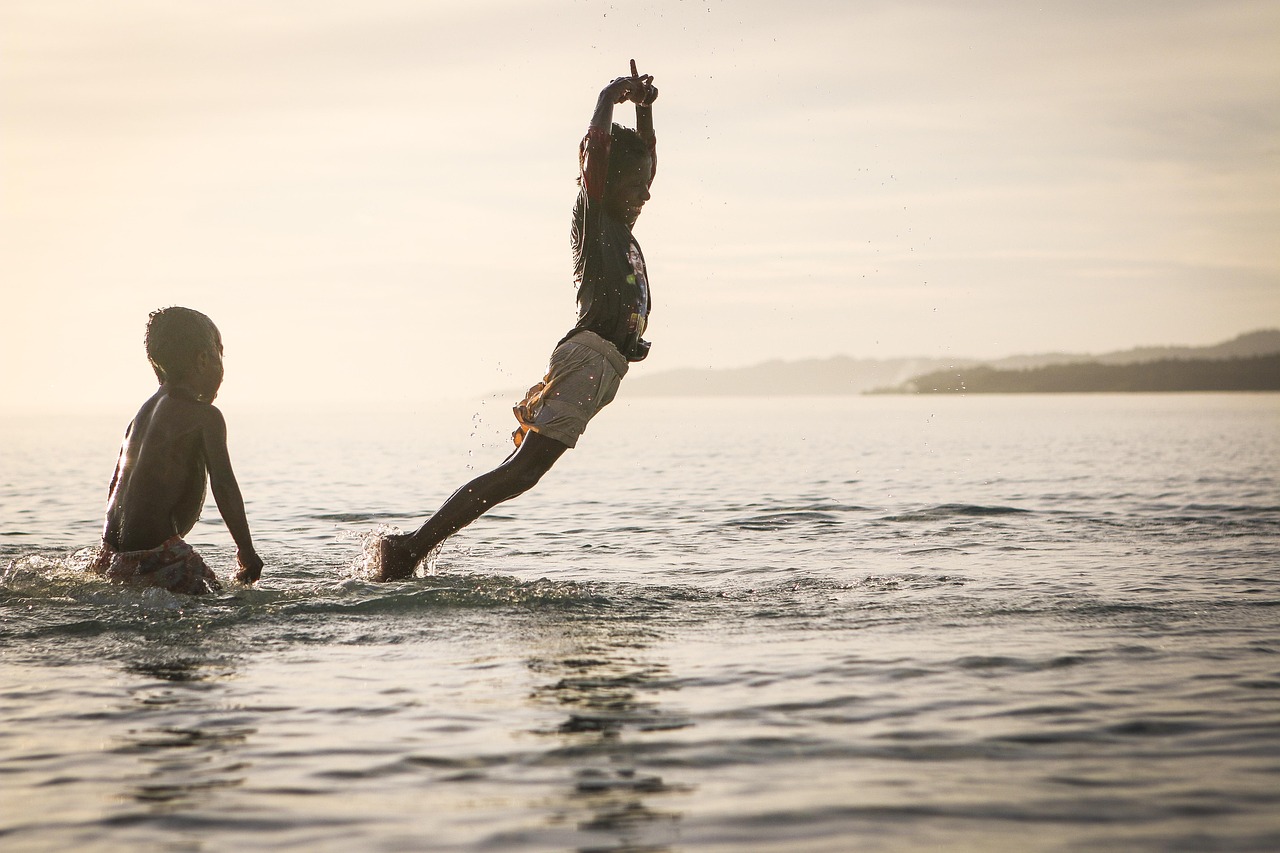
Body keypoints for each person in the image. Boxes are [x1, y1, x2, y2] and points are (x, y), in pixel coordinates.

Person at [374, 65, 660, 581]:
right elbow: (596, 152)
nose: (646, 193)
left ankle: (411, 548)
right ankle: (410, 549)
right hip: (589, 356)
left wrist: (644, 110)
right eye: (635, 184)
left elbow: (647, 162)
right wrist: (606, 99)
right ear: (604, 181)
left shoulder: (619, 222)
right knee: (520, 473)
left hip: (605, 364)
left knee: (521, 473)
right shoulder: (597, 216)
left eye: (645, 184)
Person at [91, 307, 263, 594]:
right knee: (226, 602)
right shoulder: (204, 416)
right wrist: (246, 551)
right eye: (221, 355)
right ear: (202, 359)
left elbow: (115, 486)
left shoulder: (141, 416)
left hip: (111, 557)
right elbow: (224, 484)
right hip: (160, 557)